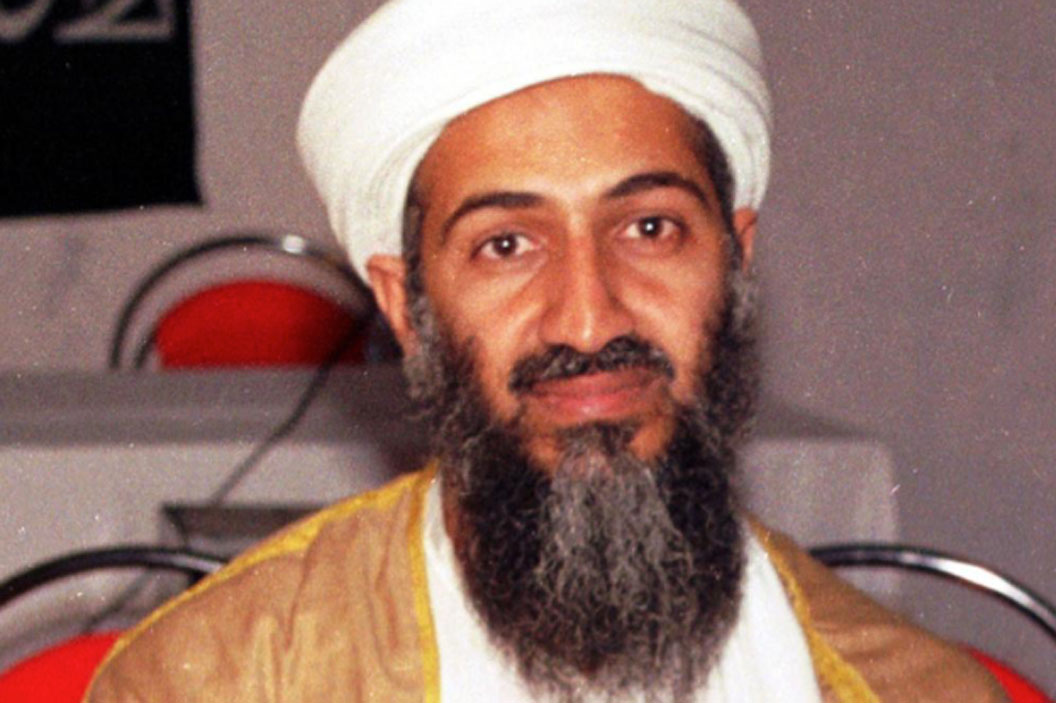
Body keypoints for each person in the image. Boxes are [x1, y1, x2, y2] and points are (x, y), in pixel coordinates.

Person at [87, 0, 1005, 701]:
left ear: (734, 260)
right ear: (409, 305)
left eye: (649, 227)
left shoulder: (916, 690)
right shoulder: (219, 678)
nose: (589, 319)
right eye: (506, 245)